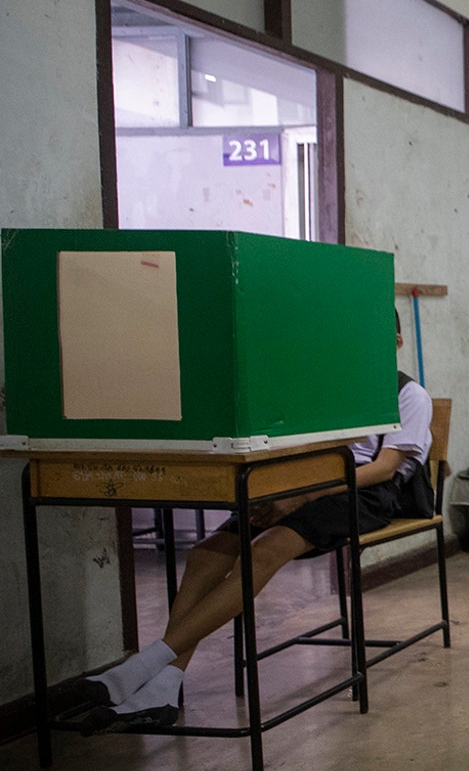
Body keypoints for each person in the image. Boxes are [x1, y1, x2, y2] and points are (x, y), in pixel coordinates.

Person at [77, 311, 434, 732]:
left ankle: (144, 667)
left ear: (395, 343)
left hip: (364, 494)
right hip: (309, 484)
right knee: (206, 554)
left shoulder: (409, 393)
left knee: (266, 549)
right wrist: (282, 491)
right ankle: (165, 685)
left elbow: (383, 470)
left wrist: (300, 496)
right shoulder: (329, 386)